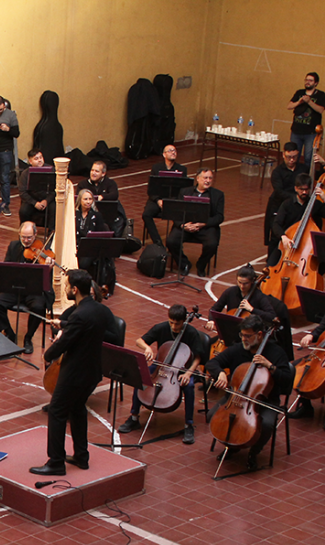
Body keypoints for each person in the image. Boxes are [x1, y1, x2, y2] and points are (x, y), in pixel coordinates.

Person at [31, 270, 115, 476]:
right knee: (78, 409)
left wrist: (48, 354)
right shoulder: (101, 310)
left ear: (75, 290)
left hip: (75, 373)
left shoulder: (79, 314)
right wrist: (67, 325)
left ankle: (56, 462)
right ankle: (81, 456)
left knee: (57, 411)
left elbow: (65, 343)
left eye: (68, 286)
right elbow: (90, 328)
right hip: (92, 372)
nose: (66, 290)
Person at [204, 314, 292, 470]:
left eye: (247, 336)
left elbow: (286, 378)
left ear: (259, 335)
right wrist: (220, 373)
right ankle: (231, 446)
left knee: (265, 424)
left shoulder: (276, 352)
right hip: (236, 397)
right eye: (242, 335)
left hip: (264, 400)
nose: (243, 339)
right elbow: (212, 363)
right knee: (212, 416)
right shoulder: (237, 349)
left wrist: (270, 366)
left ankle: (254, 452)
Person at [117, 305, 207, 444]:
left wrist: (188, 373)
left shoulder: (191, 332)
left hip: (182, 370)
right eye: (171, 322)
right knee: (141, 378)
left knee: (188, 386)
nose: (173, 326)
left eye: (177, 324)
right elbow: (139, 341)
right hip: (161, 365)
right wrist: (147, 347)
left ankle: (188, 425)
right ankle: (134, 418)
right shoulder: (162, 327)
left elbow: (197, 358)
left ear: (184, 321)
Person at [0, 223, 50, 355]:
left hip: (34, 290)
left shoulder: (44, 248)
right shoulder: (13, 246)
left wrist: (48, 269)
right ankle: (9, 333)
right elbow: (5, 267)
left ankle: (28, 337)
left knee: (39, 307)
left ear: (35, 235)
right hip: (15, 289)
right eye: (23, 237)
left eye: (29, 238)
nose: (26, 241)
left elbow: (46, 278)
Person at [167, 169, 224, 278]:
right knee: (171, 241)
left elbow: (219, 217)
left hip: (205, 227)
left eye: (210, 178)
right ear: (198, 179)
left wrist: (202, 224)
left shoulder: (218, 195)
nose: (208, 181)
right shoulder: (184, 192)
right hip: (186, 225)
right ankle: (184, 264)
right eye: (205, 178)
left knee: (212, 244)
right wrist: (183, 225)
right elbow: (176, 212)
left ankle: (201, 265)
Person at [142, 144, 188, 249]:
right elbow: (151, 188)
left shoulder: (181, 169)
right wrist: (158, 200)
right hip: (157, 199)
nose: (173, 152)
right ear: (164, 154)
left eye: (175, 151)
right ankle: (157, 242)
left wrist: (171, 201)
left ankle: (172, 242)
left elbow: (184, 189)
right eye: (170, 151)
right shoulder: (156, 168)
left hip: (173, 200)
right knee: (146, 214)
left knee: (178, 216)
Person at [75, 189, 112, 288]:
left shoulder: (96, 215)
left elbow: (100, 233)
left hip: (90, 247)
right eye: (85, 199)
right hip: (76, 244)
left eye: (90, 199)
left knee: (83, 263)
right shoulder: (74, 215)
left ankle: (84, 284)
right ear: (80, 200)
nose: (88, 202)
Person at [288, 72, 324, 165]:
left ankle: (306, 178)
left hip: (311, 132)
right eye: (306, 80)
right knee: (294, 156)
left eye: (310, 80)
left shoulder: (321, 95)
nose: (308, 82)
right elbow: (289, 106)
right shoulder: (299, 92)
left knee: (308, 157)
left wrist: (309, 102)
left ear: (316, 83)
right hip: (296, 130)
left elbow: (320, 110)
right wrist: (299, 102)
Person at [17, 149, 55, 228]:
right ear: (30, 162)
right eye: (36, 159)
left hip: (48, 199)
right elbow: (22, 192)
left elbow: (55, 189)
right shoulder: (25, 174)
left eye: (41, 157)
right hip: (32, 199)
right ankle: (26, 230)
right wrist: (34, 203)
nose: (40, 160)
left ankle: (51, 234)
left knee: (54, 209)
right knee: (23, 211)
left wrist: (46, 200)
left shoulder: (52, 170)